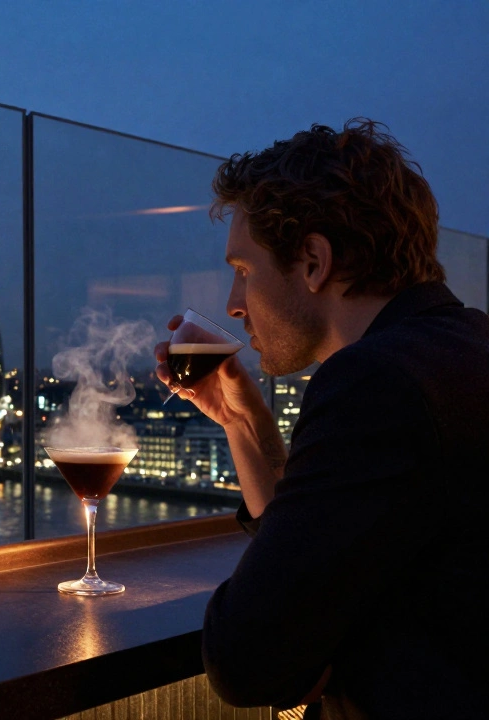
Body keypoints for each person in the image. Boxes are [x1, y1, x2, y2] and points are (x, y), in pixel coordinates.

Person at [155, 119, 489, 719]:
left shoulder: (375, 383)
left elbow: (247, 659)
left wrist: (324, 648)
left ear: (313, 261)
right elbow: (328, 568)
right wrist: (244, 423)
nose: (234, 302)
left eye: (245, 269)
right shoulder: (464, 350)